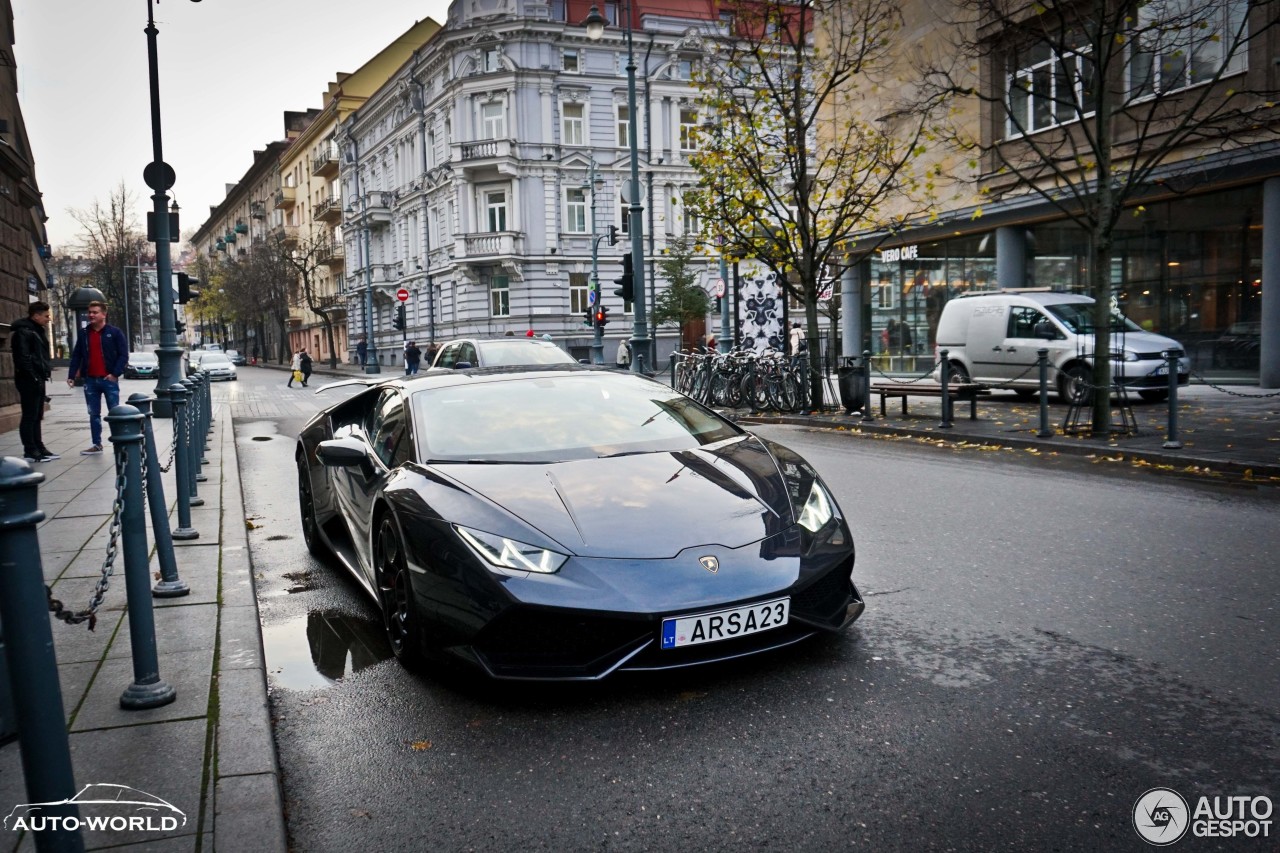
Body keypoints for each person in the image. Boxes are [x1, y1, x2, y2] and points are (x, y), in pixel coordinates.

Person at [66, 300, 128, 455]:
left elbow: (123, 355)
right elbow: (77, 355)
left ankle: (119, 442)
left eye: (95, 312)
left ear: (104, 314)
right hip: (90, 380)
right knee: (93, 414)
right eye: (90, 312)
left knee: (114, 412)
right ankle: (96, 444)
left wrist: (115, 374)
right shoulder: (84, 333)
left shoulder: (114, 332)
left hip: (108, 380)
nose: (91, 315)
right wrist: (71, 375)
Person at [11, 300, 58, 462]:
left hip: (37, 378)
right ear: (36, 316)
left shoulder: (37, 330)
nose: (49, 318)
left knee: (37, 415)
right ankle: (30, 450)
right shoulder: (23, 332)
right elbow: (23, 358)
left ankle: (39, 447)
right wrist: (34, 376)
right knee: (30, 416)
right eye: (46, 316)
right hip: (29, 379)